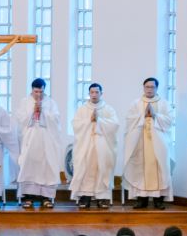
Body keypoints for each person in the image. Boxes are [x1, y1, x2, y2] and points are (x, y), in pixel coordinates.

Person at [123, 77, 175, 208]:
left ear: (157, 88)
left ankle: (158, 200)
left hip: (159, 142)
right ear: (143, 87)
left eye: (152, 87)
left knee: (160, 167)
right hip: (140, 141)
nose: (149, 89)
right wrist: (142, 116)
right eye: (147, 87)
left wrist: (155, 115)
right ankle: (141, 199)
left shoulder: (164, 103)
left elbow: (170, 120)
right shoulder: (136, 103)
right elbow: (129, 119)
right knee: (140, 168)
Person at [16, 78, 64, 208]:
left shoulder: (50, 103)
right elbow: (20, 118)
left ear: (44, 90)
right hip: (30, 136)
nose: (38, 94)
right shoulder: (25, 102)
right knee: (29, 166)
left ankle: (46, 198)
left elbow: (56, 120)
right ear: (32, 90)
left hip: (46, 138)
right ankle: (28, 198)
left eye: (41, 92)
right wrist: (32, 111)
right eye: (36, 92)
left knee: (46, 167)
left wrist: (44, 112)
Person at [70, 83, 120, 208]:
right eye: (91, 92)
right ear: (89, 93)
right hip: (86, 145)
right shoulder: (82, 109)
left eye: (96, 92)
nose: (94, 95)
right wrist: (89, 120)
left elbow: (114, 125)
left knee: (102, 169)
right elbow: (76, 125)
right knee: (85, 168)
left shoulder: (108, 109)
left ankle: (102, 198)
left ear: (101, 93)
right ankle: (85, 197)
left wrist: (99, 120)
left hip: (103, 146)